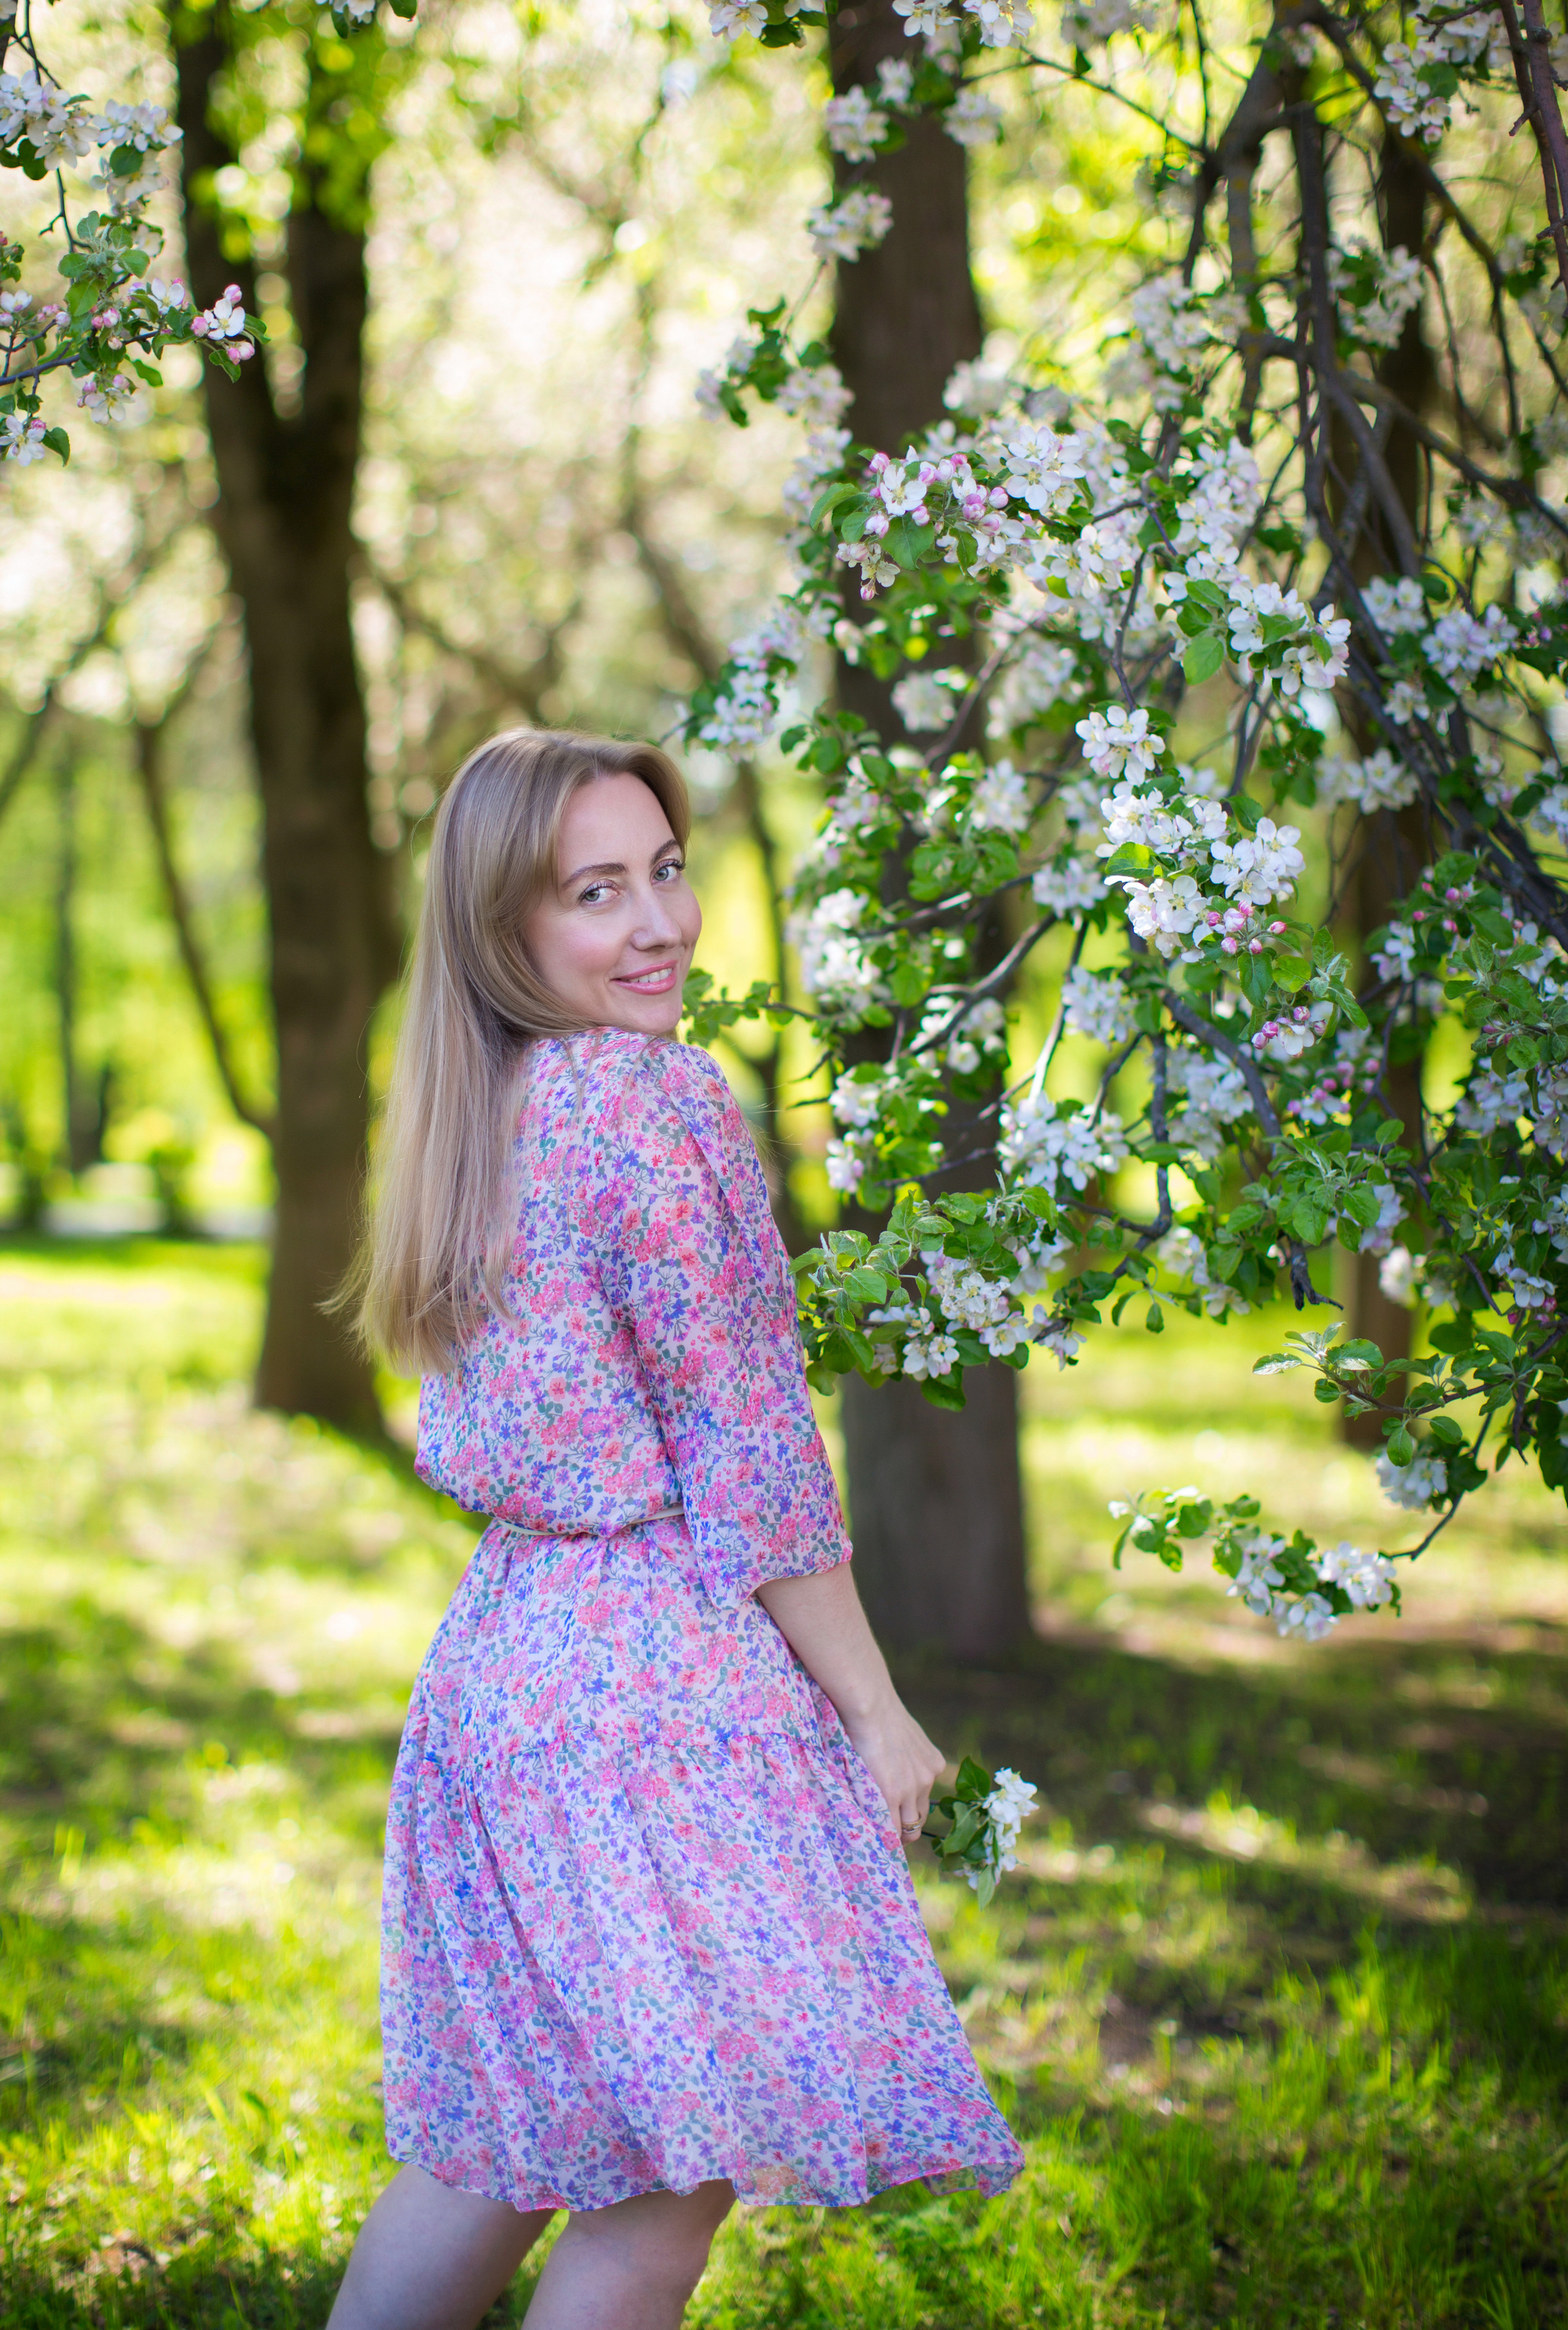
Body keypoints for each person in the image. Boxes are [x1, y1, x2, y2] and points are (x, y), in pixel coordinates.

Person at [327, 728, 1022, 2330]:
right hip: (646, 1688)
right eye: (594, 892)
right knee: (657, 2184)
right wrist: (874, 1710)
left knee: (504, 2148)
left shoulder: (478, 1108)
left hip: (499, 1674)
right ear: (506, 931)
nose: (658, 924)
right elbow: (749, 1454)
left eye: (664, 871)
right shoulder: (649, 1102)